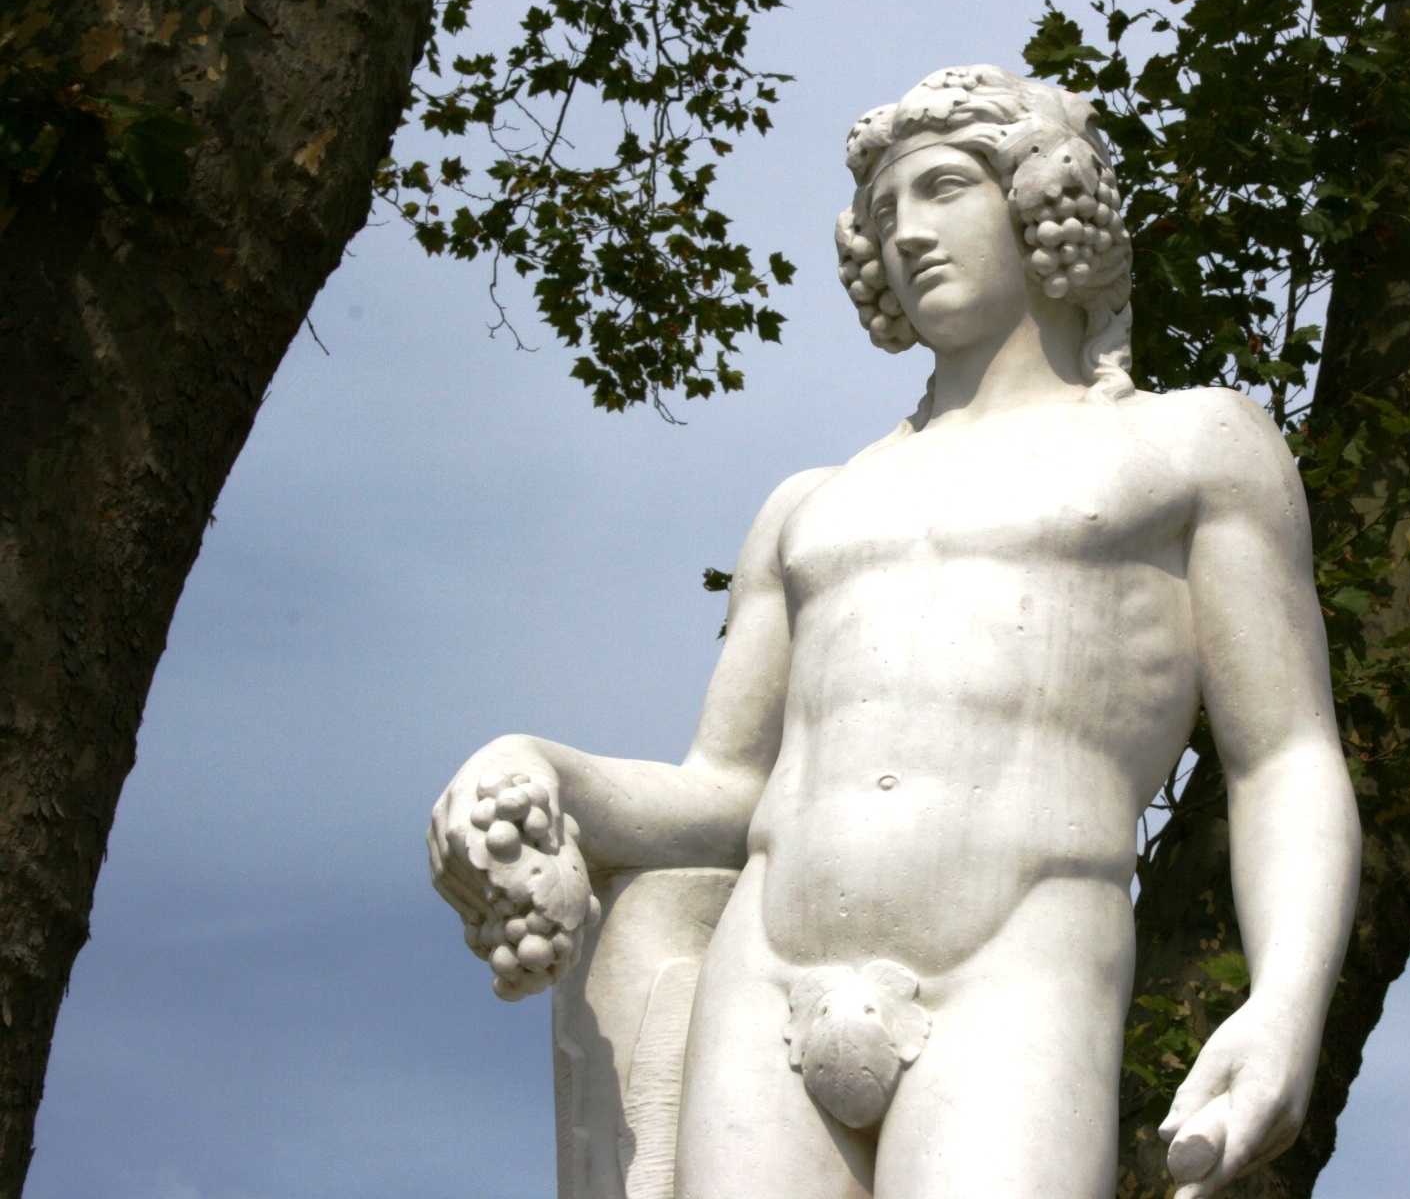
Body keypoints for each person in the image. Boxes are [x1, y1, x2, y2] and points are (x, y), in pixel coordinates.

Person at [428, 65, 1360, 1199]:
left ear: (1041, 196)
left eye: (943, 188)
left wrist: (1287, 1003)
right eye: (882, 212)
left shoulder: (1191, 446)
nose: (907, 231)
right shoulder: (809, 505)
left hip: (1016, 961)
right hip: (765, 973)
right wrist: (541, 768)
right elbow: (725, 790)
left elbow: (1282, 756)